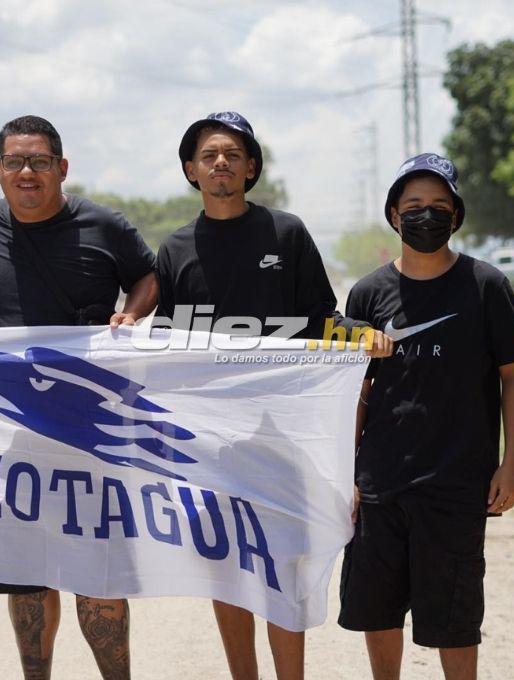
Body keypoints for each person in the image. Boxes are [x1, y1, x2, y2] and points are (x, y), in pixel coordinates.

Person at [155, 111, 392, 680]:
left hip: (284, 435)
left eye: (233, 155)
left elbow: (320, 321)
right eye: (209, 155)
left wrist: (362, 337)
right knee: (227, 566)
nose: (221, 163)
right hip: (210, 442)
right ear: (191, 169)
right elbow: (163, 345)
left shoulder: (285, 234)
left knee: (283, 563)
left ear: (251, 167)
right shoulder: (175, 249)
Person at [0, 114, 158, 680]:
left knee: (99, 573)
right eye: (15, 162)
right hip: (6, 437)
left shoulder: (102, 225)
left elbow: (149, 277)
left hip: (89, 434)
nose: (27, 172)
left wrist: (132, 314)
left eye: (39, 162)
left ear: (61, 168)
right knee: (22, 574)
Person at [337, 153, 514, 680]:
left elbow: (512, 375)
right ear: (395, 215)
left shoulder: (485, 285)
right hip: (380, 484)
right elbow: (354, 389)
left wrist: (511, 463)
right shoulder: (368, 293)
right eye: (415, 206)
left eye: (439, 206)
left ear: (456, 216)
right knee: (377, 611)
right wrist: (346, 472)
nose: (427, 215)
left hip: (457, 484)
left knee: (455, 616)